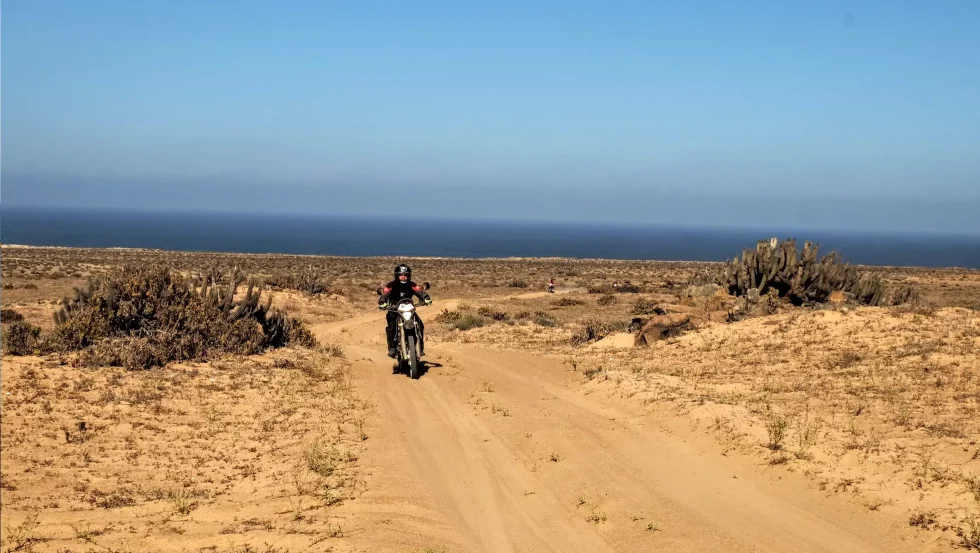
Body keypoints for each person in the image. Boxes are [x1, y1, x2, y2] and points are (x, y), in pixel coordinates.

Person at [378, 264, 432, 358]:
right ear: (397, 276)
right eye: (401, 275)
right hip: (394, 309)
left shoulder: (412, 285)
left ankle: (420, 347)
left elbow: (419, 292)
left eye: (405, 275)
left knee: (419, 323)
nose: (403, 277)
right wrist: (382, 302)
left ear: (409, 276)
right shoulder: (391, 285)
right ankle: (392, 348)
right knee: (392, 325)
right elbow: (385, 295)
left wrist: (426, 298)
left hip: (408, 308)